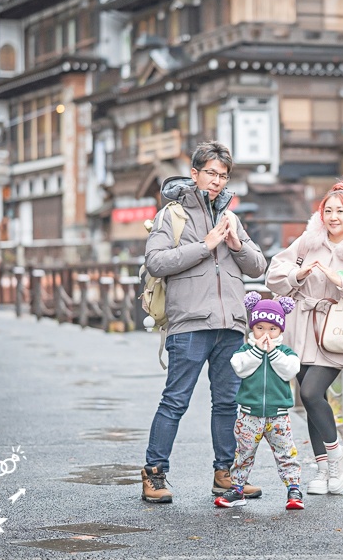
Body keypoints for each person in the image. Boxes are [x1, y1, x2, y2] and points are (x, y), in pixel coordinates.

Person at [140, 141, 268, 504]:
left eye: (223, 175)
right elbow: (156, 262)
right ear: (195, 174)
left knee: (227, 402)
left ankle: (224, 474)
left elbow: (259, 266)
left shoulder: (231, 216)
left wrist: (235, 243)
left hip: (230, 324)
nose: (216, 181)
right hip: (190, 323)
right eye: (210, 173)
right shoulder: (172, 215)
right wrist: (206, 245)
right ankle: (154, 473)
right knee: (175, 401)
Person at [265, 180, 343, 496]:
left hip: (335, 332)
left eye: (340, 211)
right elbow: (274, 277)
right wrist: (298, 275)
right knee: (310, 401)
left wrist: (342, 284)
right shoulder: (308, 243)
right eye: (328, 210)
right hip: (302, 327)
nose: (333, 217)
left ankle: (338, 455)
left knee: (310, 392)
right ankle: (324, 470)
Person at [214, 293, 304, 510]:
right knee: (243, 453)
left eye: (272, 329)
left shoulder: (285, 353)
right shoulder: (245, 351)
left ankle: (293, 489)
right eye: (260, 328)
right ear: (252, 328)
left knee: (286, 453)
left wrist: (272, 352)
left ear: (281, 330)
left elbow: (289, 371)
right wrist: (256, 349)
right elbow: (240, 368)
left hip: (279, 414)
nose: (266, 334)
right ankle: (237, 489)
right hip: (249, 414)